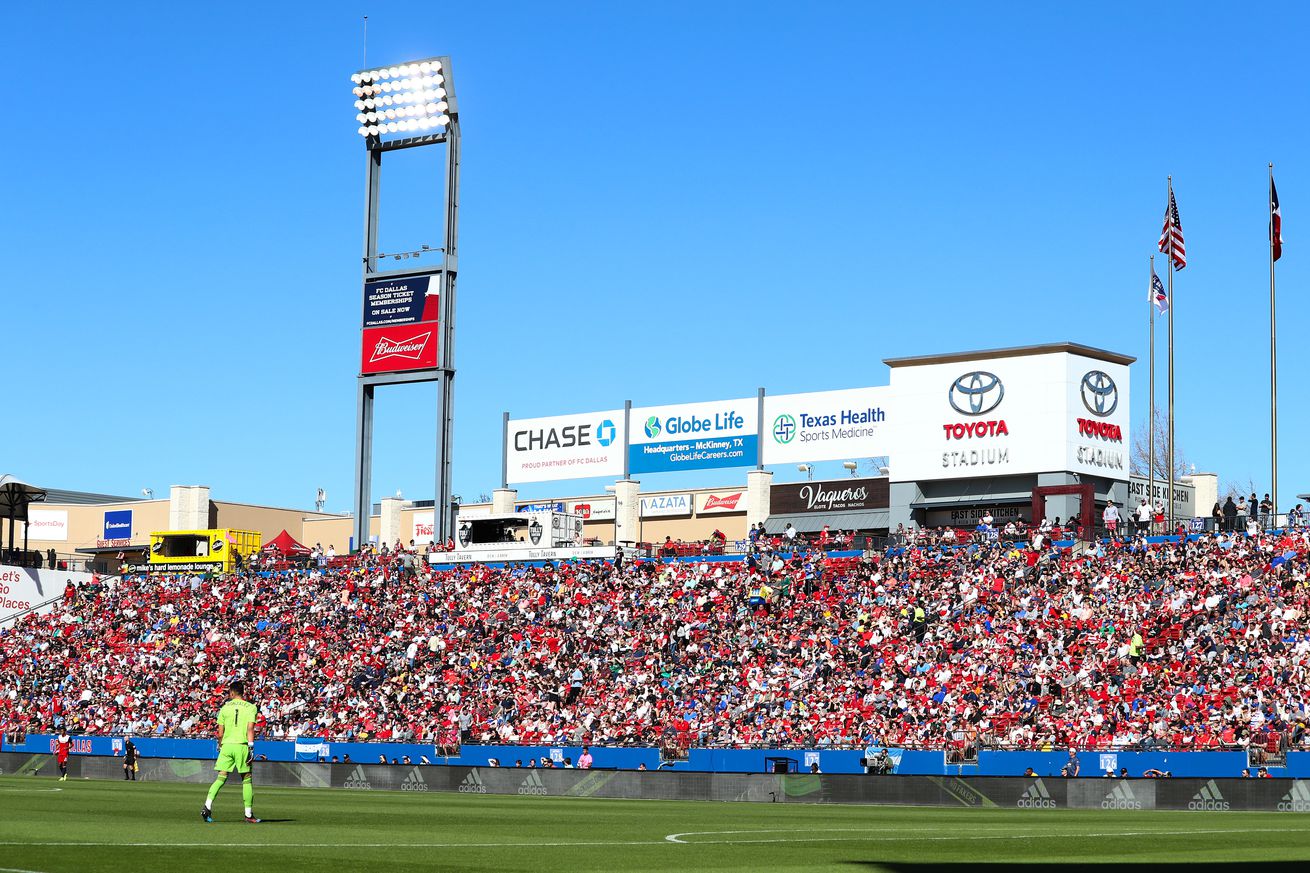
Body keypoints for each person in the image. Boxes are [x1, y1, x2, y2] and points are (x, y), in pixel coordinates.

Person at [202, 681, 260, 824]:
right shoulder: (251, 707)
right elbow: (250, 729)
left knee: (221, 777)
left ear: (232, 693)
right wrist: (251, 748)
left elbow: (220, 732)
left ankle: (207, 806)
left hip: (227, 745)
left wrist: (221, 745)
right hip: (241, 745)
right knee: (246, 779)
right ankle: (248, 814)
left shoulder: (224, 708)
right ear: (243, 692)